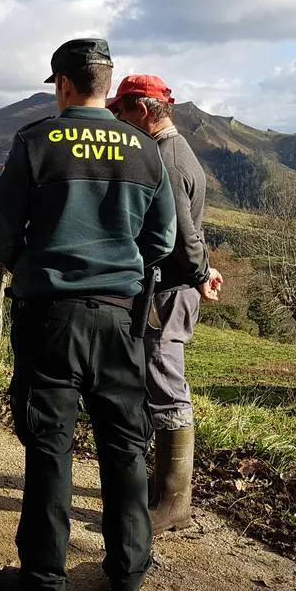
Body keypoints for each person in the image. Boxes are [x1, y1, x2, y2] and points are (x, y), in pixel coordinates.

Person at [0, 38, 177, 591]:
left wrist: (31, 268)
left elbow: (1, 227)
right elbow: (163, 239)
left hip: (50, 316)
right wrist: (125, 274)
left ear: (63, 84)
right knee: (123, 443)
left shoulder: (35, 142)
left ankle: (44, 581)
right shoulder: (146, 150)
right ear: (104, 81)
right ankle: (127, 574)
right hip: (119, 317)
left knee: (50, 445)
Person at [108, 75, 224, 534]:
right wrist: (206, 268)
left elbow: (178, 231)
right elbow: (193, 227)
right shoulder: (178, 151)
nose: (116, 119)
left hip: (167, 291)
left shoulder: (162, 156)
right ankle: (160, 491)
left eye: (120, 111)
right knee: (155, 380)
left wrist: (198, 272)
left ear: (141, 110)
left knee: (165, 381)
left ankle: (175, 503)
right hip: (175, 285)